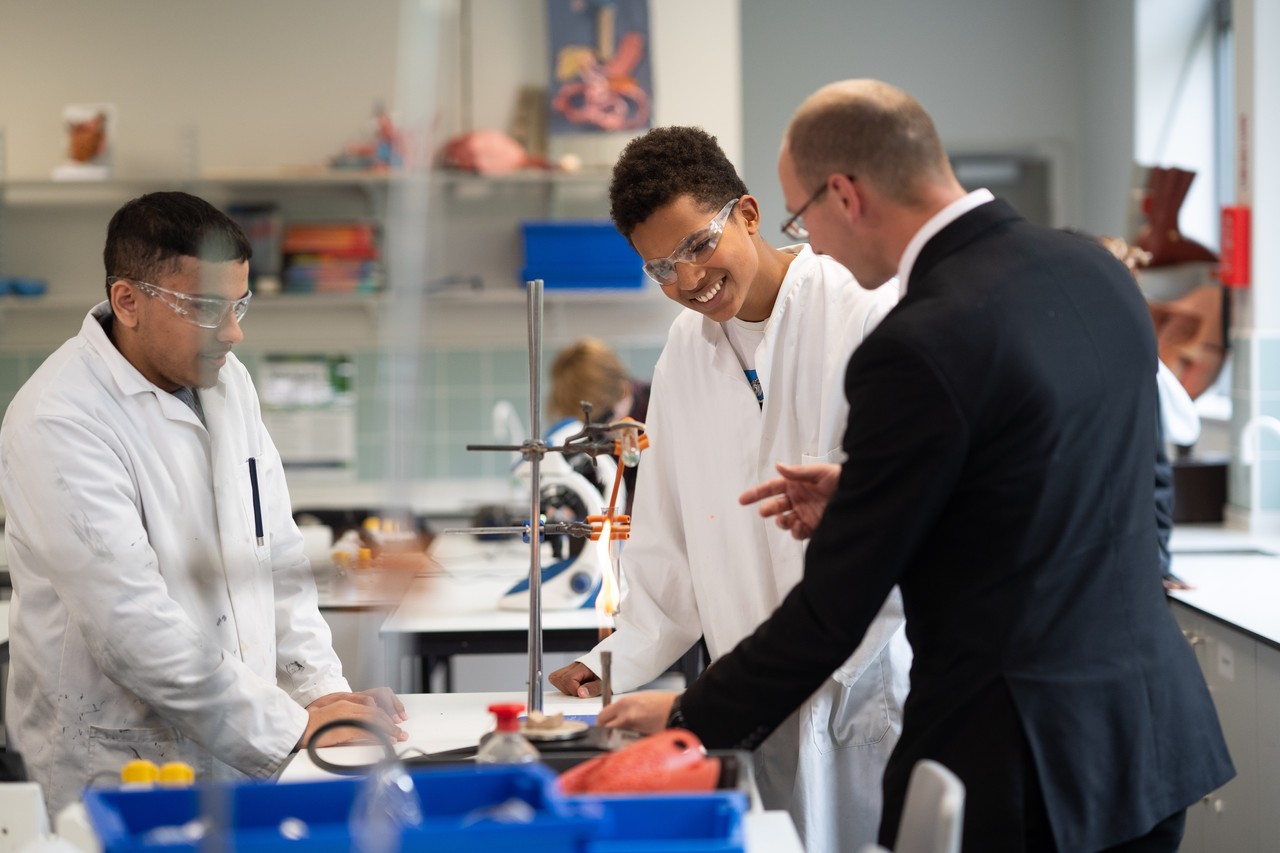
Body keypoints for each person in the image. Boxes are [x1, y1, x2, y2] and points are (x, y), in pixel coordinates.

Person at [600, 81, 1234, 852]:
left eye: (805, 217)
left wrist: (686, 714)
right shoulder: (1090, 269)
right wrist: (883, 495)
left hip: (1024, 755)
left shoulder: (914, 339)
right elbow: (1117, 474)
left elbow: (835, 605)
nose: (816, 246)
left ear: (846, 195)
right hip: (1150, 731)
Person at [548, 126, 910, 852]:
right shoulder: (687, 348)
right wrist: (619, 656)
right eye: (660, 268)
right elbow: (667, 529)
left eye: (697, 246)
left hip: (867, 677)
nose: (686, 280)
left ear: (747, 213)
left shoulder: (861, 308)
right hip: (748, 684)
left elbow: (900, 510)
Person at [0, 192, 406, 816]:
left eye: (238, 305)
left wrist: (323, 696)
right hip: (117, 765)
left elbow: (277, 558)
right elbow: (129, 626)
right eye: (206, 308)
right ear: (127, 301)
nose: (234, 332)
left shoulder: (226, 378)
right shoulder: (58, 417)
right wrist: (292, 728)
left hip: (245, 747)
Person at [546, 337, 650, 513]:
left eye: (602, 419)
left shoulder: (660, 411)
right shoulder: (591, 437)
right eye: (590, 425)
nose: (599, 433)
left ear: (623, 389)